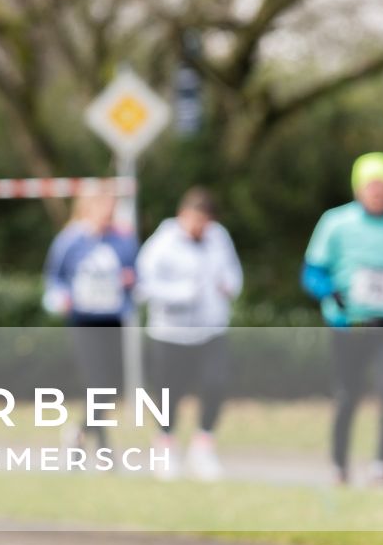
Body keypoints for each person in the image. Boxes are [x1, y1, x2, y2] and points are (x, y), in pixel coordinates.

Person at [303, 152, 383, 488]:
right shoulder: (336, 223)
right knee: (347, 396)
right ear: (358, 188)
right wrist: (331, 292)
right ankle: (339, 468)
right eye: (372, 186)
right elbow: (311, 272)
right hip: (348, 325)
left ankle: (380, 465)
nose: (378, 192)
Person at [136, 187, 242, 481]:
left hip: (211, 328)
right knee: (170, 394)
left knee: (215, 384)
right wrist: (179, 294)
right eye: (195, 219)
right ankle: (166, 445)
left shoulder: (219, 238)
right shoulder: (163, 243)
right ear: (182, 215)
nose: (199, 227)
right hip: (171, 332)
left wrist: (229, 286)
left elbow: (233, 273)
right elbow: (143, 285)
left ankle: (203, 445)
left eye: (204, 221)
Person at [42, 190, 138, 454]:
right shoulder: (70, 240)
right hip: (84, 321)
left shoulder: (122, 240)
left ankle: (80, 433)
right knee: (96, 383)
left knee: (110, 386)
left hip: (113, 318)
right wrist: (61, 298)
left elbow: (135, 273)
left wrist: (131, 281)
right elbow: (53, 279)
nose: (108, 213)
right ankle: (103, 447)